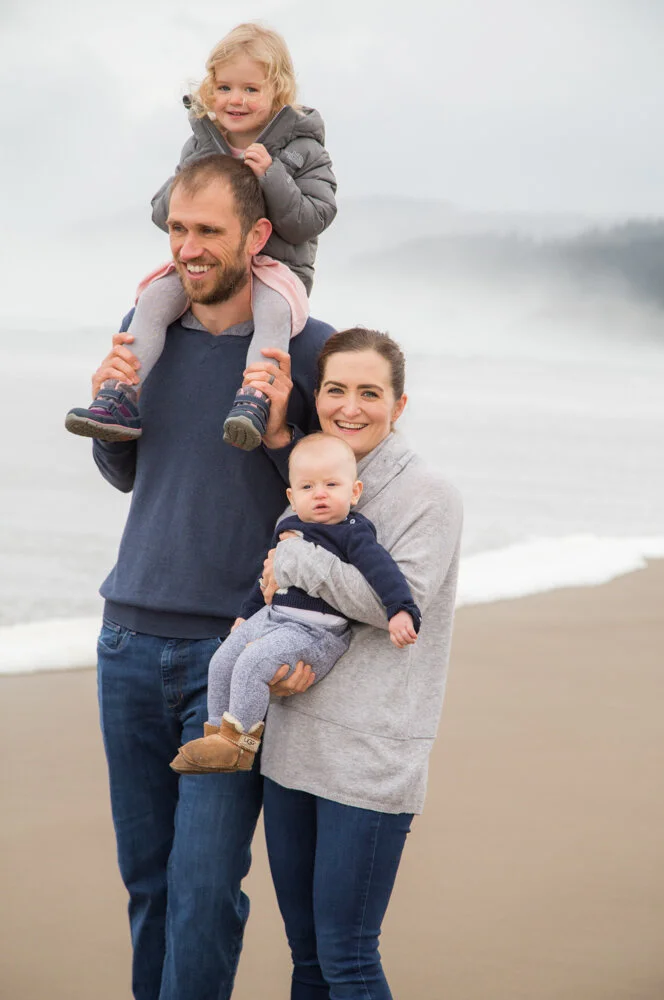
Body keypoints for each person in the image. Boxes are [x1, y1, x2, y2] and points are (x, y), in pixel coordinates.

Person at [92, 152, 333, 1000]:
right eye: (176, 230)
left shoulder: (310, 351)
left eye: (207, 232)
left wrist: (275, 435)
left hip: (230, 659)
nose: (187, 249)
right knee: (149, 886)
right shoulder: (147, 328)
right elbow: (132, 477)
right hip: (124, 640)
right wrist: (109, 415)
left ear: (258, 236)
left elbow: (328, 511)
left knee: (201, 891)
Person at [242, 326, 463, 999]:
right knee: (304, 956)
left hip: (369, 757)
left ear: (398, 406)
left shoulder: (429, 493)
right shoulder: (315, 476)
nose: (350, 406)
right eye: (336, 389)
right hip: (293, 743)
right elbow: (281, 601)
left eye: (370, 392)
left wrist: (296, 557)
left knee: (347, 957)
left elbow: (394, 602)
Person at [66, 22, 336, 451]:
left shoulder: (305, 149)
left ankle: (256, 399)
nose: (236, 99)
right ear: (210, 88)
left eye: (250, 88)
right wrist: (200, 174)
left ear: (278, 91)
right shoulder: (200, 143)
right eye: (225, 87)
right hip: (209, 270)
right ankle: (119, 395)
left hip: (274, 271)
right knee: (152, 299)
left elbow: (313, 218)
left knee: (272, 316)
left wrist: (273, 175)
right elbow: (163, 212)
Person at [170, 432, 421, 775]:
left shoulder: (353, 532)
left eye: (332, 484)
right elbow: (267, 580)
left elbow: (383, 573)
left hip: (318, 632)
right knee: (223, 657)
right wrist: (246, 616)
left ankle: (238, 744)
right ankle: (217, 731)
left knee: (254, 662)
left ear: (354, 491)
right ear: (292, 495)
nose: (319, 493)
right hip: (274, 616)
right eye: (307, 487)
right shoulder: (288, 527)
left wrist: (400, 610)